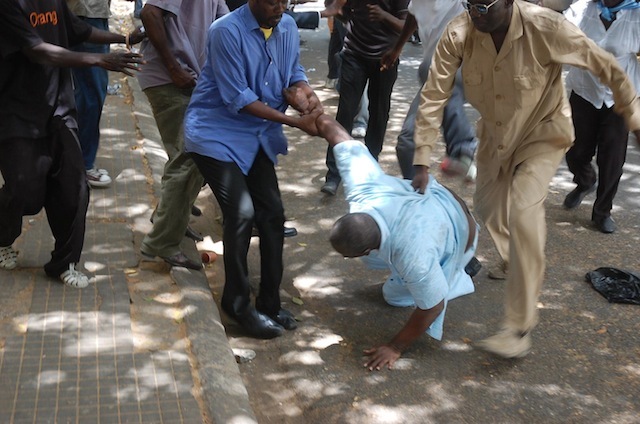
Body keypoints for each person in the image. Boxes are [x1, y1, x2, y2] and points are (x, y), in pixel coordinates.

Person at [412, 0, 640, 358]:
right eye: (471, 4)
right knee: (486, 207)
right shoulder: (459, 32)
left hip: (542, 134)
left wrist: (634, 117)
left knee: (523, 211)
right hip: (494, 137)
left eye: (485, 5)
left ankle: (518, 327)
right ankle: (512, 259)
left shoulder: (546, 27)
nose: (476, 13)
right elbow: (433, 94)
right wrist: (421, 155)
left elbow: (606, 66)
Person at [183, 0, 322, 339]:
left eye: (284, 0)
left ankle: (270, 302)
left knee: (273, 214)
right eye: (272, 1)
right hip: (215, 133)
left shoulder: (287, 26)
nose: (280, 7)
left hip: (256, 134)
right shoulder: (225, 32)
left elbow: (293, 73)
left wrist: (306, 94)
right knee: (242, 214)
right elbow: (239, 99)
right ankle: (237, 303)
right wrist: (295, 121)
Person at [312, 111, 479, 371]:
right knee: (402, 273)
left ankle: (458, 276)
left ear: (367, 249)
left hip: (461, 237)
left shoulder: (412, 256)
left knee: (394, 295)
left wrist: (395, 346)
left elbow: (432, 307)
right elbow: (337, 133)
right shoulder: (363, 190)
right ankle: (444, 270)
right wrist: (308, 113)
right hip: (443, 205)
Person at [0, 0, 144, 287]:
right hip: (17, 111)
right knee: (25, 190)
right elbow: (36, 50)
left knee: (75, 187)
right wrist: (99, 60)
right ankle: (2, 238)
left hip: (60, 107)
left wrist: (124, 38)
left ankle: (64, 262)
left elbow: (79, 30)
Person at [137, 0, 229, 271]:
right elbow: (149, 12)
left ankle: (168, 218)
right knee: (188, 159)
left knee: (196, 159)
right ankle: (161, 243)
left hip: (191, 79)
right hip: (168, 78)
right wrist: (174, 67)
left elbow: (228, 24)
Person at [562, 0, 640, 233]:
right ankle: (585, 181)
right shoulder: (580, 10)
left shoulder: (636, 16)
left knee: (612, 159)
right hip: (584, 91)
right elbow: (560, 39)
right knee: (576, 150)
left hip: (620, 97)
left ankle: (602, 211)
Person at [381, 0, 478, 182]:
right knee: (407, 142)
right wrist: (397, 49)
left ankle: (463, 149)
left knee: (435, 71)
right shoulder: (416, 2)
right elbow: (412, 15)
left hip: (463, 64)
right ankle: (418, 197)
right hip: (434, 72)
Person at [321, 0, 410, 196]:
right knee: (345, 112)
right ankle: (334, 173)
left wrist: (384, 16)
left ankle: (370, 167)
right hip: (354, 54)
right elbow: (343, 12)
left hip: (386, 57)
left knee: (379, 113)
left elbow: (408, 25)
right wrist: (341, 13)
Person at [67, 0, 114, 188]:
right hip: (86, 15)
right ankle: (82, 166)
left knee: (87, 94)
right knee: (90, 97)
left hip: (92, 15)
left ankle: (78, 162)